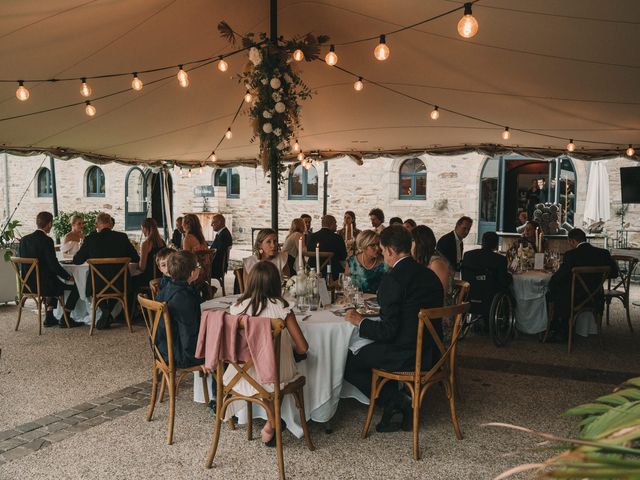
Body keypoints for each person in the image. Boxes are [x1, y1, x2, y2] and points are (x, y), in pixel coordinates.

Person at [344, 226, 443, 432]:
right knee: (368, 349)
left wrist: (360, 321)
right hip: (434, 352)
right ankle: (397, 405)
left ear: (389, 250)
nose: (381, 254)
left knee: (347, 359)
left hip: (406, 355)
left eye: (381, 249)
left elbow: (388, 332)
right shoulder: (429, 275)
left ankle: (396, 400)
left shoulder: (393, 280)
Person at [223, 261, 308, 446]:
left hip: (241, 374)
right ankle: (272, 421)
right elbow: (303, 347)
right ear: (276, 283)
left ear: (251, 282)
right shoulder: (283, 307)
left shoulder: (236, 308)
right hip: (274, 375)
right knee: (276, 367)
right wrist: (287, 350)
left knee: (266, 370)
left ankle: (272, 421)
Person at [546, 228, 618, 341]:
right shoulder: (604, 253)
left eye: (570, 242)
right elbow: (614, 273)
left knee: (553, 291)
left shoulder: (571, 255)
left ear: (572, 241)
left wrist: (550, 283)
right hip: (596, 297)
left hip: (575, 298)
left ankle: (559, 330)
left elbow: (560, 277)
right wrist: (597, 275)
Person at [73, 212, 140, 328]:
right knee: (120, 288)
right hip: (120, 284)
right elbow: (136, 258)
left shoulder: (91, 239)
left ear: (97, 224)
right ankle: (108, 313)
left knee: (96, 287)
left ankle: (105, 310)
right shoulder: (122, 237)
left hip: (97, 285)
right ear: (110, 223)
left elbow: (77, 260)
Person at [19, 211, 82, 327]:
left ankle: (49, 317)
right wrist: (68, 277)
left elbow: (22, 264)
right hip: (44, 285)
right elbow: (54, 266)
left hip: (27, 284)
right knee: (77, 285)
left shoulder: (24, 240)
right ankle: (66, 318)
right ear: (49, 224)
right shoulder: (47, 241)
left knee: (52, 279)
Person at [156, 250, 205, 369]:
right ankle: (218, 387)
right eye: (198, 266)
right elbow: (188, 335)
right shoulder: (184, 298)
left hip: (162, 348)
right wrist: (200, 359)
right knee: (222, 351)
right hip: (176, 354)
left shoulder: (168, 288)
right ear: (193, 272)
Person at [412, 225, 454, 303]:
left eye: (411, 240)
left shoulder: (437, 263)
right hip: (425, 305)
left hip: (439, 310)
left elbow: (441, 295)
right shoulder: (423, 259)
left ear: (420, 243)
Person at [306, 215, 348, 279]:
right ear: (331, 224)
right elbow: (343, 256)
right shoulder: (337, 238)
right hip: (332, 273)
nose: (336, 225)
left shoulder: (311, 237)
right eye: (335, 223)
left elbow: (308, 253)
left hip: (313, 271)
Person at [135, 218, 166, 288]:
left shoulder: (146, 244)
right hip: (162, 276)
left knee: (130, 279)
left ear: (145, 228)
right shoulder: (162, 242)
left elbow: (142, 268)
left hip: (150, 278)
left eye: (142, 228)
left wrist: (136, 265)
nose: (142, 231)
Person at [210, 214, 232, 280]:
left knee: (195, 270)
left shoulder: (223, 235)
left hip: (217, 269)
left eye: (213, 222)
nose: (211, 225)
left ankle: (206, 289)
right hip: (217, 266)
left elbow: (218, 254)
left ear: (219, 222)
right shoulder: (222, 233)